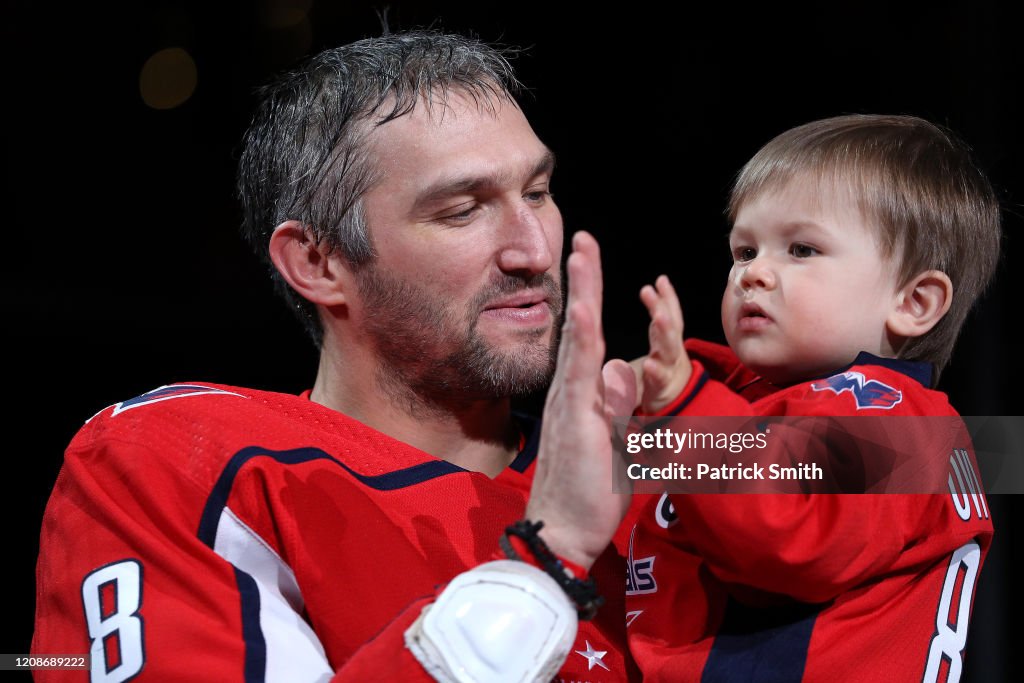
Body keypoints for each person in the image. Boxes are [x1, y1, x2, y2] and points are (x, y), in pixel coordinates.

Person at [31, 30, 638, 682]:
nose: (535, 251)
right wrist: (543, 562)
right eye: (463, 210)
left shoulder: (661, 443)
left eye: (538, 193)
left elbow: (764, 465)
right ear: (319, 263)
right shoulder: (176, 457)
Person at [624, 114, 999, 681]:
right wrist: (620, 420)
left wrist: (681, 403)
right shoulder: (741, 403)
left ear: (914, 302)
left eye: (801, 249)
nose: (754, 274)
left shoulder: (901, 426)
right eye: (744, 251)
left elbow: (784, 535)